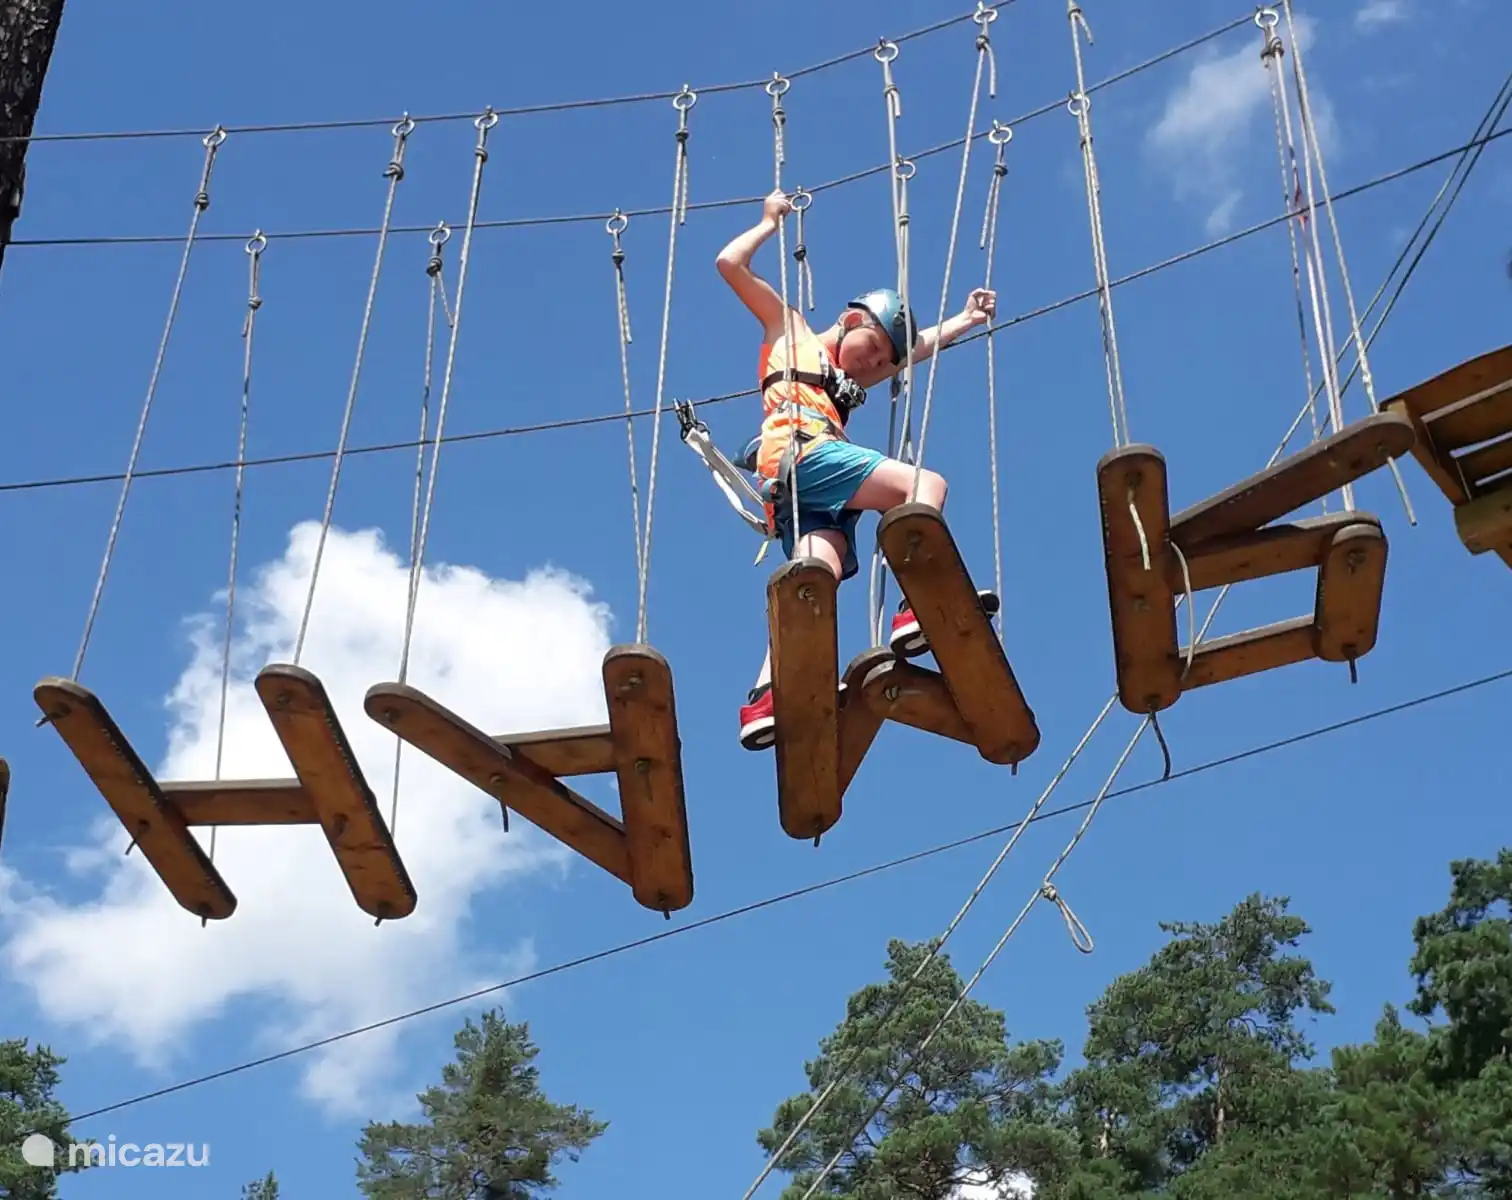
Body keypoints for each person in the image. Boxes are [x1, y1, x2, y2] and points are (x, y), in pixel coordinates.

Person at [717, 187, 999, 751]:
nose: (871, 365)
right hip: (801, 453)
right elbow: (730, 264)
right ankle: (917, 604)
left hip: (802, 489)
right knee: (923, 486)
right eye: (870, 348)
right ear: (849, 321)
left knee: (817, 571)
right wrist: (769, 222)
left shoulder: (849, 378)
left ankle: (767, 696)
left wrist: (964, 320)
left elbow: (914, 350)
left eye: (879, 364)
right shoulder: (790, 331)